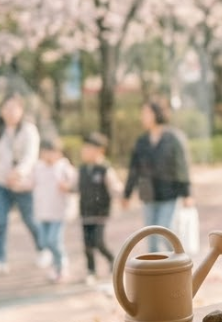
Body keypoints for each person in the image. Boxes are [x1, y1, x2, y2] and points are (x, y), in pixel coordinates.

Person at [0, 92, 44, 278]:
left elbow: (31, 156)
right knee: (0, 223)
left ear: (21, 110)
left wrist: (19, 172)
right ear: (1, 111)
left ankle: (43, 249)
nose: (10, 112)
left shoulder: (29, 130)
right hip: (2, 185)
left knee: (30, 220)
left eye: (14, 108)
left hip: (22, 184)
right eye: (6, 108)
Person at [123, 99, 193, 252]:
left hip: (169, 192)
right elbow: (134, 169)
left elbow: (182, 167)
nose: (143, 117)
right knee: (150, 237)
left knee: (164, 230)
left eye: (146, 113)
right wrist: (126, 194)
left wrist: (187, 194)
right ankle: (155, 271)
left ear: (156, 114)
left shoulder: (174, 138)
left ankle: (178, 257)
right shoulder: (141, 142)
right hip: (147, 192)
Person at [77, 132, 123, 285]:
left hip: (100, 212)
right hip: (85, 212)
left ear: (99, 150)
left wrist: (121, 194)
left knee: (98, 241)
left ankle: (113, 260)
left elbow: (114, 185)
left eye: (88, 149)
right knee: (87, 244)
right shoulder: (82, 170)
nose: (84, 152)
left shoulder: (104, 169)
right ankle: (91, 270)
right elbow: (74, 186)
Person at [33, 137, 77, 283]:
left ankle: (62, 266)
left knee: (54, 240)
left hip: (59, 212)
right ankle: (55, 266)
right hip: (43, 212)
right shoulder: (38, 167)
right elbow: (30, 182)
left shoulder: (63, 167)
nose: (48, 156)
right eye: (45, 152)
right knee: (45, 241)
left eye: (52, 152)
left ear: (59, 153)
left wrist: (67, 186)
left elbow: (75, 182)